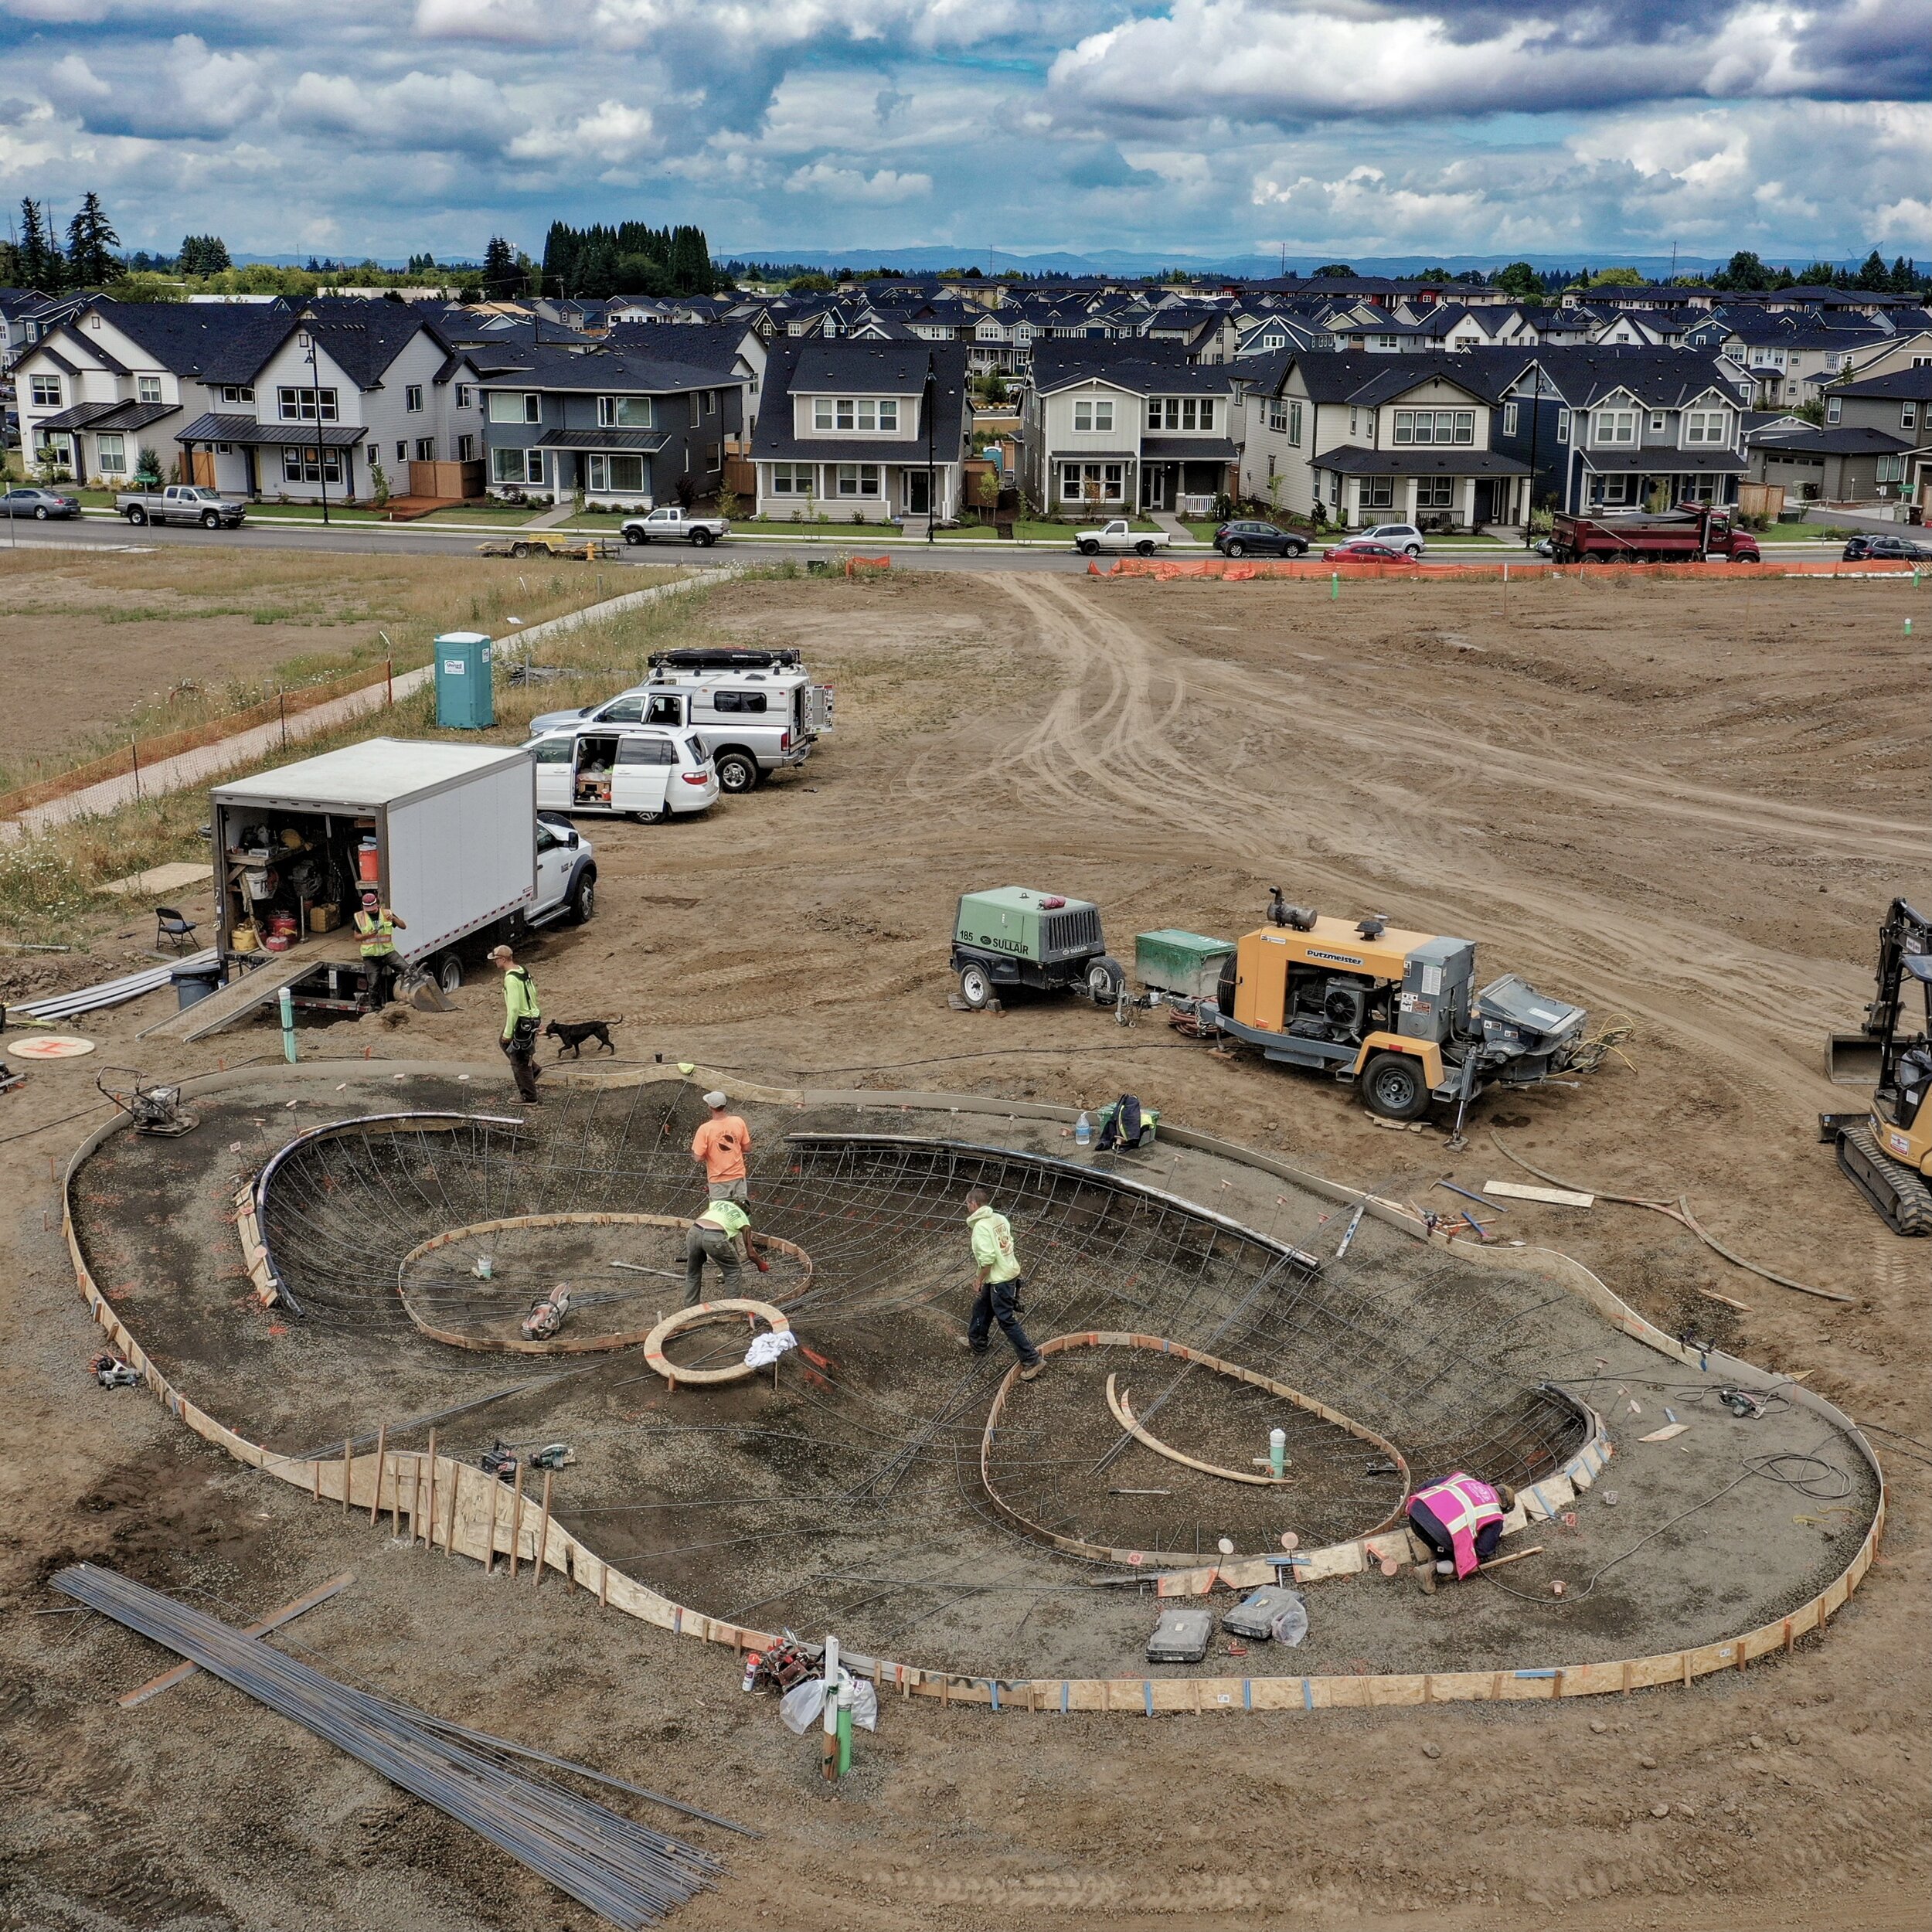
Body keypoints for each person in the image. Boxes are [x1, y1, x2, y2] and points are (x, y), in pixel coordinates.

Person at [961, 1185, 1044, 1379]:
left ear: (974, 1204)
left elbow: (988, 1259)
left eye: (967, 1203)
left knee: (1006, 1319)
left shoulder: (981, 1228)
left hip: (1000, 1279)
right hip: (1008, 1271)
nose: (966, 1207)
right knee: (982, 1307)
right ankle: (977, 1341)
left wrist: (978, 1279)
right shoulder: (999, 1219)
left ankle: (1032, 1360)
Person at [1406, 1471, 1515, 1593]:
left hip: (1414, 1513)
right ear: (1503, 1507)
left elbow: (1424, 1486)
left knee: (1439, 1536)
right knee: (1470, 1560)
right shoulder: (1495, 1514)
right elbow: (1484, 1550)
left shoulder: (1464, 1479)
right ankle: (1432, 1569)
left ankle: (1437, 1551)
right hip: (1436, 1534)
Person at [685, 1196, 768, 1305]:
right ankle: (732, 1308)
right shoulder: (744, 1220)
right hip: (715, 1237)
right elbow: (751, 1253)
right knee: (733, 1271)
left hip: (694, 1232)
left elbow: (700, 1219)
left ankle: (690, 1306)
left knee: (693, 1272)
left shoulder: (718, 1204)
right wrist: (761, 1264)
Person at [491, 944, 542, 1104]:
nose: (495, 962)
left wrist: (508, 1033)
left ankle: (529, 1096)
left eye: (496, 959)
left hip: (523, 1021)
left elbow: (513, 1009)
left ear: (503, 959)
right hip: (532, 1017)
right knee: (507, 1046)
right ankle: (534, 1070)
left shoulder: (511, 979)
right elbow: (533, 992)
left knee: (518, 1060)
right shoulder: (522, 971)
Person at [691, 1090, 753, 1203]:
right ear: (725, 1105)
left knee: (719, 1215)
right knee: (741, 1212)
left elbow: (698, 1157)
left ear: (710, 1107)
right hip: (738, 1177)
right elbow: (747, 1148)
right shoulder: (738, 1122)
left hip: (718, 1181)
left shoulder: (705, 1129)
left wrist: (712, 1154)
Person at [353, 888, 406, 1003]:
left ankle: (410, 995)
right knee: (373, 984)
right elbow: (356, 937)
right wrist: (367, 935)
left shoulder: (386, 913)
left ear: (377, 904)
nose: (371, 911)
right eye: (368, 909)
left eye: (372, 909)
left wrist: (394, 919)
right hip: (370, 956)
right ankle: (375, 1009)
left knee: (407, 970)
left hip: (388, 952)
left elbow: (403, 926)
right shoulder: (359, 917)